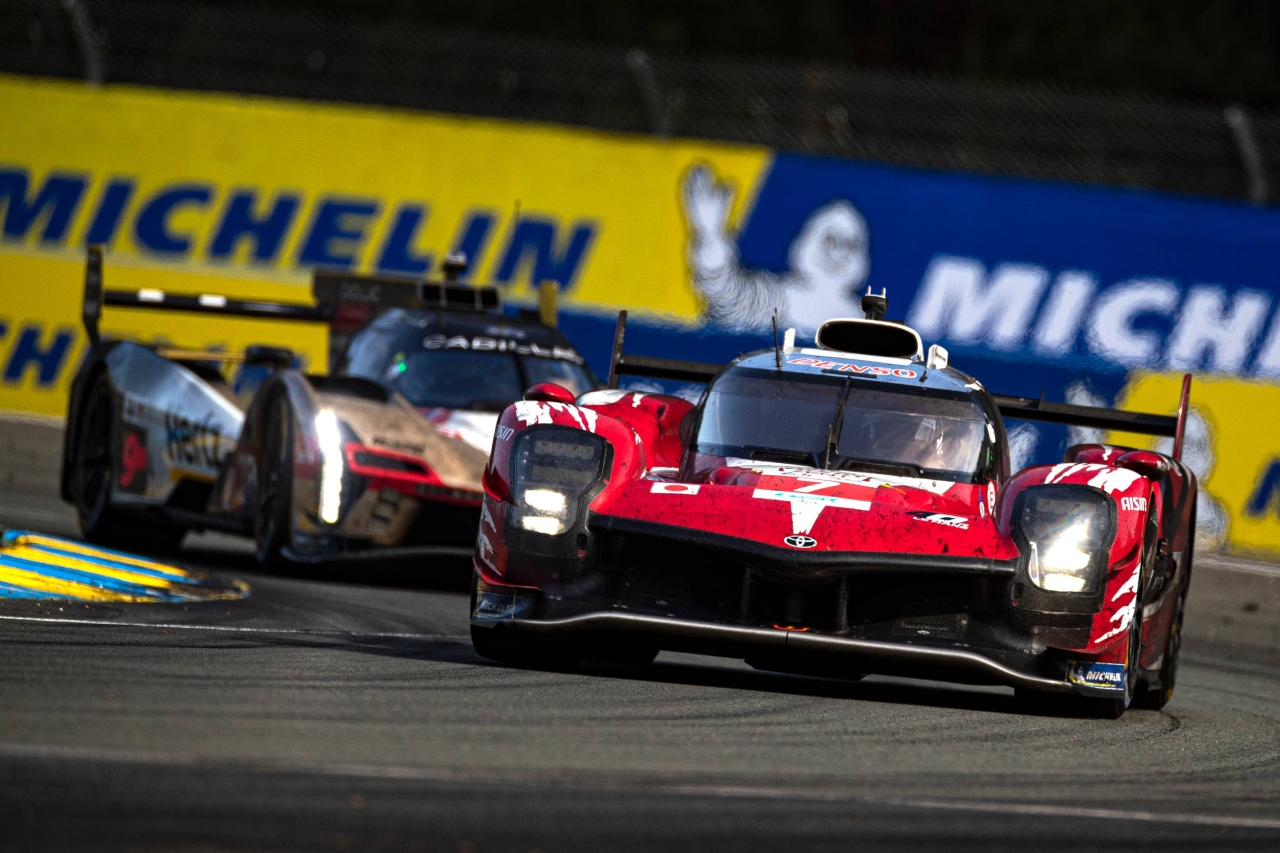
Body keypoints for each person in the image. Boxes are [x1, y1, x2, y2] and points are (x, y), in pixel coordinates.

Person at [683, 164, 870, 336]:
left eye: (850, 244)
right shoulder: (778, 298)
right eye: (830, 240)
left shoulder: (864, 322)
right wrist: (710, 236)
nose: (838, 252)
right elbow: (730, 296)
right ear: (806, 241)